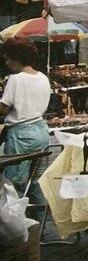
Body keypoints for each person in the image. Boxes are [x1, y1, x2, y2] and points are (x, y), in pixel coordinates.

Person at [0, 38, 52, 198]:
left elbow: (3, 108)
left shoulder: (16, 80)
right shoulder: (43, 77)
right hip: (41, 131)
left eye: (8, 58)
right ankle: (41, 218)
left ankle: (17, 220)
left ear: (17, 58)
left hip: (21, 135)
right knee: (37, 181)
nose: (7, 63)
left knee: (14, 183)